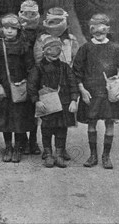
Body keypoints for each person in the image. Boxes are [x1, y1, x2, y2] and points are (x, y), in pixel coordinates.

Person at [73, 14, 119, 169]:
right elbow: (77, 70)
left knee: (109, 122)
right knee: (91, 123)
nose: (99, 35)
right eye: (95, 32)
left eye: (102, 32)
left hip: (109, 92)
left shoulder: (116, 48)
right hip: (90, 92)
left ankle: (106, 156)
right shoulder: (85, 48)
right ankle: (93, 155)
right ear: (90, 31)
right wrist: (81, 89)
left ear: (108, 30)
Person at [0, 14, 35, 163]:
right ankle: (8, 147)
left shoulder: (24, 46)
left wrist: (27, 84)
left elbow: (30, 68)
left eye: (12, 29)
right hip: (3, 88)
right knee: (5, 119)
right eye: (6, 28)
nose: (9, 31)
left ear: (18, 30)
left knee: (19, 119)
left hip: (20, 88)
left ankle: (18, 148)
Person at [28, 36, 79, 168]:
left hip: (64, 103)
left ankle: (59, 155)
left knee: (62, 130)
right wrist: (36, 101)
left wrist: (74, 100)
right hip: (46, 104)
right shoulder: (38, 68)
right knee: (46, 129)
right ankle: (49, 154)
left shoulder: (65, 67)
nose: (55, 52)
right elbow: (32, 86)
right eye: (51, 49)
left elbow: (73, 84)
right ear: (45, 51)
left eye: (58, 48)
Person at [18, 0, 42, 156]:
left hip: (37, 73)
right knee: (20, 109)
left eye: (32, 13)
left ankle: (33, 141)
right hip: (19, 72)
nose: (29, 16)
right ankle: (22, 141)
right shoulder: (17, 31)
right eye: (26, 13)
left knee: (35, 109)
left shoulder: (41, 31)